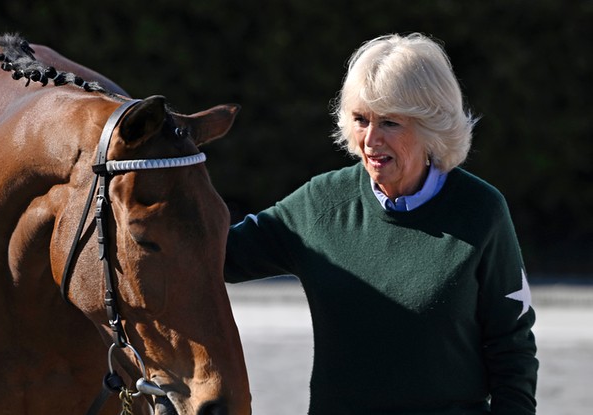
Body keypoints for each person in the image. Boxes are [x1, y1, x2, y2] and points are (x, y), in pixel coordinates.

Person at [225, 33, 538, 414]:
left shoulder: (482, 210)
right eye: (360, 120)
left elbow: (512, 346)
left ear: (431, 125)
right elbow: (214, 257)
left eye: (390, 123)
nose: (370, 139)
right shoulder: (321, 203)